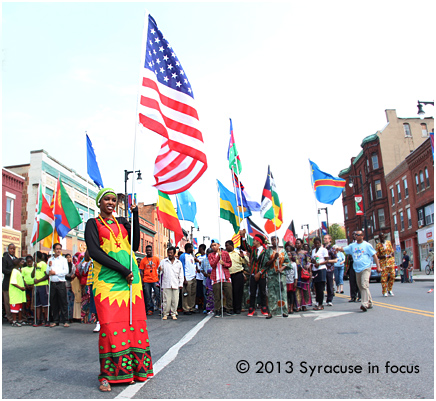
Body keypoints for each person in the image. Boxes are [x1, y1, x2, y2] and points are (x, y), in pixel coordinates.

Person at [85, 188, 153, 391]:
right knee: (109, 325)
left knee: (133, 323)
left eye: (114, 200)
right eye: (107, 199)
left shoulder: (122, 222)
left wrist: (135, 214)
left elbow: (135, 243)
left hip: (131, 280)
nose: (111, 202)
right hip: (108, 280)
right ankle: (107, 376)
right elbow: (95, 251)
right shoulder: (93, 223)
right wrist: (122, 269)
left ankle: (132, 371)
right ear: (99, 202)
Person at [336, 231, 381, 312]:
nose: (356, 236)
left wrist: (378, 267)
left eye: (358, 235)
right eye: (355, 235)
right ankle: (370, 302)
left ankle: (364, 304)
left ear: (362, 236)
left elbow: (374, 255)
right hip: (357, 269)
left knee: (364, 285)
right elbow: (343, 249)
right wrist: (337, 248)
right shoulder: (352, 246)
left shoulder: (367, 245)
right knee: (362, 286)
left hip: (366, 268)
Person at [240, 230, 273, 318]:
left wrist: (260, 272)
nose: (253, 241)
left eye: (254, 240)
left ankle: (264, 307)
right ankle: (251, 308)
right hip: (253, 274)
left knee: (262, 291)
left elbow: (266, 264)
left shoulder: (266, 251)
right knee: (252, 291)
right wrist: (243, 237)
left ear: (258, 241)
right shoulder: (252, 249)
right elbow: (244, 247)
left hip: (262, 274)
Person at [208, 240, 233, 317]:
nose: (213, 247)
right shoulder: (211, 255)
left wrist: (224, 264)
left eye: (215, 245)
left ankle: (229, 309)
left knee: (229, 294)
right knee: (217, 296)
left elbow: (230, 264)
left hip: (225, 277)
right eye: (212, 246)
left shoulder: (225, 253)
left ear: (219, 245)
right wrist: (218, 256)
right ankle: (217, 310)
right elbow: (212, 264)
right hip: (216, 278)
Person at [47, 243, 70, 328]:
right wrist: (49, 267)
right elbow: (47, 272)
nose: (58, 250)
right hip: (53, 283)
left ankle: (65, 320)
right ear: (54, 250)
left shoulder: (63, 260)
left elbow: (66, 271)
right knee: (54, 302)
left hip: (61, 283)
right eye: (56, 249)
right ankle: (56, 320)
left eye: (59, 249)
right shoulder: (50, 260)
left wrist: (55, 273)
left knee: (63, 302)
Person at [159, 246, 183, 320]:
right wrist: (159, 270)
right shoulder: (163, 262)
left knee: (175, 300)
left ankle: (173, 313)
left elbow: (181, 274)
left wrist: (181, 283)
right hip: (166, 284)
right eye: (168, 253)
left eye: (171, 253)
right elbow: (160, 273)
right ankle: (165, 313)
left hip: (175, 284)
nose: (169, 254)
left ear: (174, 253)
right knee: (166, 300)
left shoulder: (178, 263)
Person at [269, 236, 290, 317]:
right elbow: (266, 263)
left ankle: (284, 310)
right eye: (272, 240)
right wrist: (274, 258)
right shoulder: (269, 251)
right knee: (272, 293)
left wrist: (282, 268)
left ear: (278, 241)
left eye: (275, 240)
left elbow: (287, 262)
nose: (274, 241)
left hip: (281, 274)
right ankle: (271, 311)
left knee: (282, 292)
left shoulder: (283, 251)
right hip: (272, 274)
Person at [225, 240, 248, 315]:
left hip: (238, 274)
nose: (226, 247)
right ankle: (230, 308)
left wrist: (243, 257)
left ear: (232, 245)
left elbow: (246, 262)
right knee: (229, 292)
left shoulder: (238, 253)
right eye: (225, 246)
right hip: (228, 275)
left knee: (238, 292)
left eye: (227, 245)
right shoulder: (224, 254)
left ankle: (238, 308)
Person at [139, 246, 160, 316]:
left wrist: (159, 278)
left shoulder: (156, 259)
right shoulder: (143, 260)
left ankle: (159, 306)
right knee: (148, 296)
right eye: (147, 250)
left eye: (150, 250)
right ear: (145, 251)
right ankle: (150, 309)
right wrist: (142, 281)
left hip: (155, 279)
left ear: (152, 250)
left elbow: (159, 269)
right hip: (146, 280)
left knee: (158, 294)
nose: (148, 252)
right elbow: (141, 271)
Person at [31, 251, 50, 327]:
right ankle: (38, 320)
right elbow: (32, 275)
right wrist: (34, 268)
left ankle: (46, 319)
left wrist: (38, 280)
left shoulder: (43, 264)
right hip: (36, 286)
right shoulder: (35, 265)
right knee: (37, 304)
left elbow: (47, 275)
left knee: (45, 304)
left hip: (43, 285)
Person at [311, 237, 329, 310]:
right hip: (315, 269)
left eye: (318, 243)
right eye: (315, 243)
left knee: (320, 287)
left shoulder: (324, 250)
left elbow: (327, 260)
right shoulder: (313, 251)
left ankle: (321, 304)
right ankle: (317, 302)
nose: (317, 244)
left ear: (320, 243)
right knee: (316, 287)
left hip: (321, 269)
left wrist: (320, 263)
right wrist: (313, 261)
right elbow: (312, 259)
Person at [294, 239, 312, 312]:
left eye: (298, 243)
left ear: (301, 244)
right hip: (296, 273)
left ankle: (304, 305)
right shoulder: (293, 253)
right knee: (297, 289)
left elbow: (309, 262)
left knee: (305, 289)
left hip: (303, 272)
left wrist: (309, 271)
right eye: (296, 243)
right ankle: (298, 305)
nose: (297, 245)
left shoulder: (305, 253)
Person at [376, 232, 396, 297]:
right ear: (379, 238)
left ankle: (389, 289)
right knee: (384, 278)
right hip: (383, 263)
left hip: (390, 262)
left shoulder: (388, 242)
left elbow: (392, 251)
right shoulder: (378, 245)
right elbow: (377, 256)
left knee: (393, 275)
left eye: (382, 236)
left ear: (384, 236)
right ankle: (384, 291)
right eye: (380, 237)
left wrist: (392, 257)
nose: (382, 238)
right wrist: (384, 256)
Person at [179, 243, 197, 315]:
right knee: (186, 294)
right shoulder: (183, 256)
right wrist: (184, 278)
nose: (192, 249)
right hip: (187, 278)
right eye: (191, 248)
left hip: (193, 277)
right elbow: (182, 267)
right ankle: (186, 308)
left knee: (192, 293)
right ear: (188, 248)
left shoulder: (191, 256)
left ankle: (191, 307)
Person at [8, 258, 27, 327]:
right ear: (18, 263)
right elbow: (13, 282)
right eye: (21, 262)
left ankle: (20, 320)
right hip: (15, 293)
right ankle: (14, 321)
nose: (22, 263)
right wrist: (21, 288)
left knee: (19, 308)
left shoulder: (18, 271)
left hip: (19, 294)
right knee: (14, 309)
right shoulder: (14, 271)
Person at [2, 243, 17, 324]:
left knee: (14, 301)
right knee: (7, 302)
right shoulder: (4, 258)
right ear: (8, 249)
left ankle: (15, 317)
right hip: (7, 283)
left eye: (14, 249)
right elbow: (4, 270)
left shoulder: (16, 259)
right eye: (11, 248)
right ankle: (10, 318)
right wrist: (13, 272)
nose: (12, 250)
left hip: (15, 284)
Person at [323, 234, 337, 306]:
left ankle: (329, 299)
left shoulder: (332, 249)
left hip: (329, 268)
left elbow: (335, 259)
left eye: (326, 238)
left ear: (330, 240)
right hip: (322, 268)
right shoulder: (322, 248)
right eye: (324, 238)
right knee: (321, 284)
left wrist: (328, 261)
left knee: (329, 284)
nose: (324, 240)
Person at [21, 255, 35, 322]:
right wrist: (26, 285)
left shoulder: (34, 268)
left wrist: (33, 284)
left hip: (33, 286)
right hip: (26, 287)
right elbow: (22, 278)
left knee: (33, 301)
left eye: (31, 262)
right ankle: (27, 316)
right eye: (28, 262)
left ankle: (33, 315)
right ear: (26, 262)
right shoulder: (23, 269)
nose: (29, 263)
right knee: (27, 302)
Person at [200, 248, 214, 314]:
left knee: (212, 294)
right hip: (205, 281)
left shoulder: (214, 260)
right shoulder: (204, 260)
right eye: (207, 253)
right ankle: (206, 308)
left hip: (213, 280)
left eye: (210, 253)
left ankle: (213, 308)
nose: (208, 254)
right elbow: (201, 269)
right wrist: (204, 273)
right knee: (205, 294)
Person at [195, 244, 207, 312]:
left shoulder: (206, 257)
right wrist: (197, 268)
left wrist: (199, 262)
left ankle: (204, 305)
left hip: (204, 277)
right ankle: (197, 305)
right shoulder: (198, 257)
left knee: (204, 292)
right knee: (198, 292)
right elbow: (196, 265)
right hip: (198, 277)